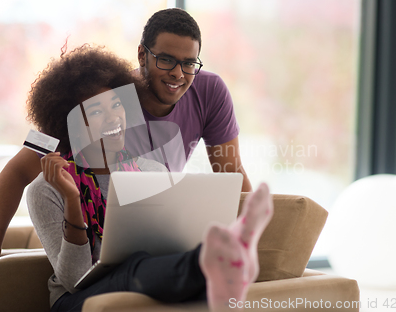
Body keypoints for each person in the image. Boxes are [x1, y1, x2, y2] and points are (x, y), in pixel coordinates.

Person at [0, 8, 252, 277]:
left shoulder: (209, 91)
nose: (178, 73)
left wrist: (255, 239)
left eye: (189, 63)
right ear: (142, 55)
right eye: (166, 60)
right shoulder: (100, 97)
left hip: (151, 230)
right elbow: (17, 171)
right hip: (95, 242)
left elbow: (232, 173)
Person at [24, 45, 272, 311]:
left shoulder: (152, 172)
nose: (114, 118)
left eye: (117, 105)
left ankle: (218, 264)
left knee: (151, 266)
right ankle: (214, 260)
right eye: (97, 111)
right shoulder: (47, 189)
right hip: (73, 302)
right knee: (133, 267)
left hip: (147, 279)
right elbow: (75, 281)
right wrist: (73, 199)